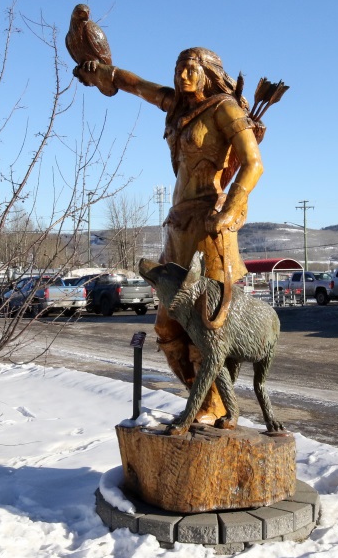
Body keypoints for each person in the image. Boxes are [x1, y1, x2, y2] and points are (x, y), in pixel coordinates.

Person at [77, 47, 262, 427]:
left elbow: (253, 163)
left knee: (206, 324)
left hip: (209, 224)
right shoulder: (177, 107)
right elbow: (136, 85)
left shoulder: (224, 108)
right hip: (177, 225)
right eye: (179, 69)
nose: (183, 76)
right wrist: (103, 72)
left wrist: (231, 209)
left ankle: (212, 405)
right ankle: (200, 394)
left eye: (191, 69)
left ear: (209, 73)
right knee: (166, 325)